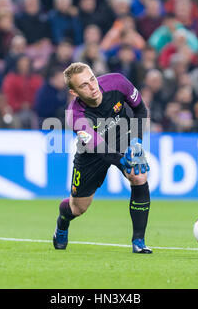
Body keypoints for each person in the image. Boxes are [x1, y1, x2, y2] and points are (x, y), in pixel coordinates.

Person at [53, 62, 152, 254]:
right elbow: (100, 149)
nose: (92, 87)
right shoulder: (75, 115)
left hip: (122, 135)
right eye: (84, 85)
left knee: (139, 175)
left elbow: (140, 110)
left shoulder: (117, 82)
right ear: (74, 92)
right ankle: (63, 221)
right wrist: (123, 162)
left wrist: (137, 143)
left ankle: (138, 241)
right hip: (92, 153)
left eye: (92, 79)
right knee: (78, 208)